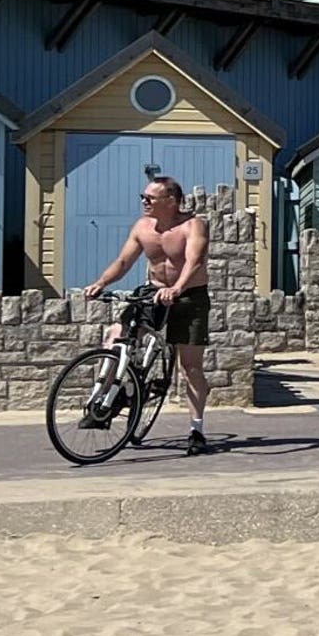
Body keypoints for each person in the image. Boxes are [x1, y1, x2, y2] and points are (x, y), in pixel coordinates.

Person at [84, 173, 214, 453]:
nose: (144, 202)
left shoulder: (193, 226)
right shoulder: (143, 227)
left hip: (189, 296)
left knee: (190, 367)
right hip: (154, 292)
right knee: (116, 336)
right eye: (142, 197)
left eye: (149, 198)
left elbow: (195, 261)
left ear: (170, 200)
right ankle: (107, 397)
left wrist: (177, 288)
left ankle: (196, 429)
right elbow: (123, 261)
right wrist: (101, 283)